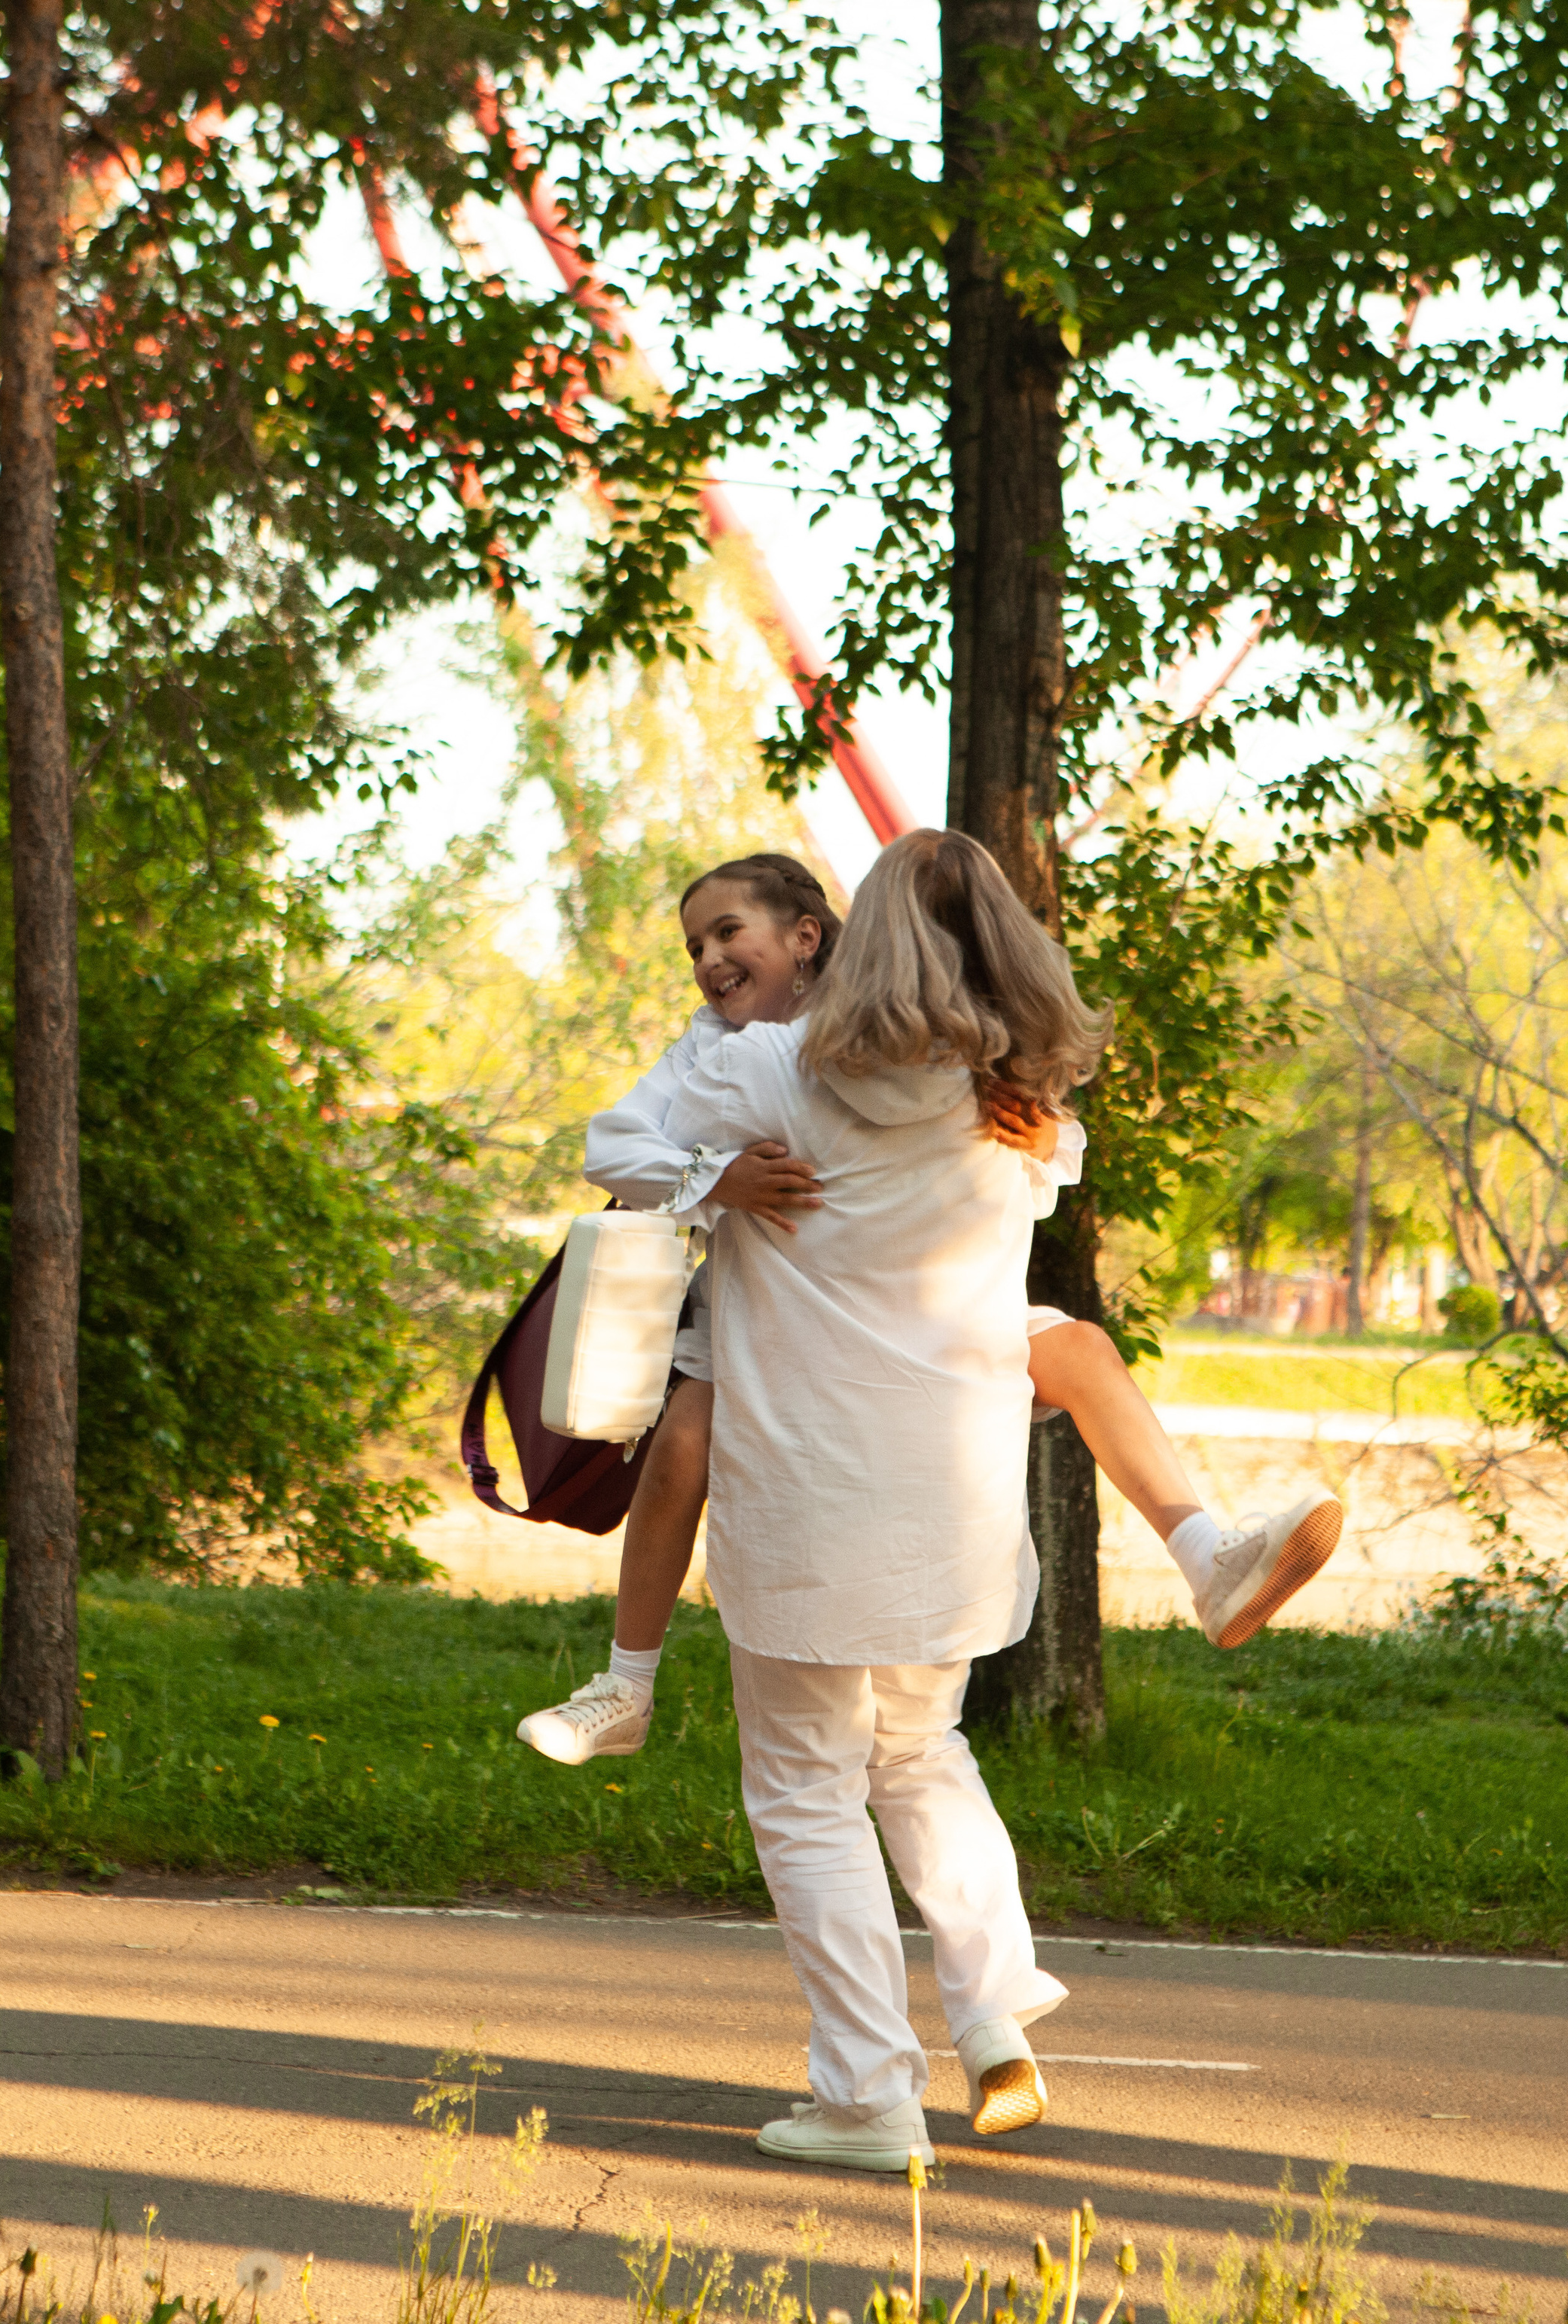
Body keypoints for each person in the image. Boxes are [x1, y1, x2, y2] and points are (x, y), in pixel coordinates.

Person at [517, 852, 1341, 1770]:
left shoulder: (890, 1017)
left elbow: (1019, 1145)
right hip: (770, 1324)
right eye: (694, 946)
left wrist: (1045, 1130)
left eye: (726, 932)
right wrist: (718, 1176)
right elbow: (614, 1143)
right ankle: (627, 1681)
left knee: (1080, 1349)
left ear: (806, 936)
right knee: (681, 1443)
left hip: (924, 1321)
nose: (708, 959)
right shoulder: (713, 1049)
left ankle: (1204, 1553)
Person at [658, 826, 1107, 2168]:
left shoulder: (770, 1071)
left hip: (810, 1495)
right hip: (953, 1500)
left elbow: (621, 1147)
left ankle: (867, 2097)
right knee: (920, 1753)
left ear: (850, 939)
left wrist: (709, 1177)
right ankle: (993, 2007)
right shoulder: (1022, 1118)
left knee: (806, 1791)